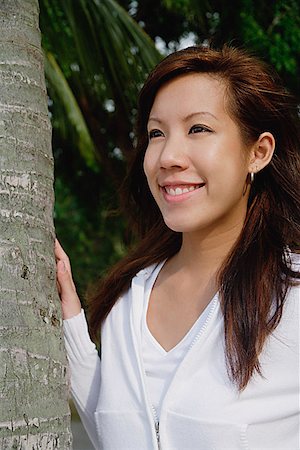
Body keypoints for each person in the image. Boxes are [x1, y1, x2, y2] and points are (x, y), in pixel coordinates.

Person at [55, 45, 300, 450]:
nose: (168, 156)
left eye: (198, 129)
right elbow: (115, 433)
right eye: (156, 133)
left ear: (258, 152)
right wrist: (71, 325)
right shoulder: (127, 302)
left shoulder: (290, 300)